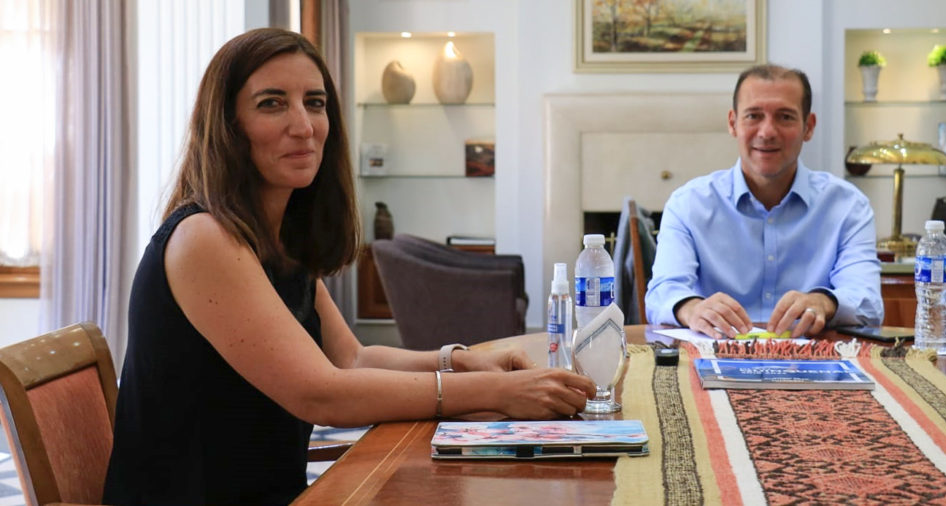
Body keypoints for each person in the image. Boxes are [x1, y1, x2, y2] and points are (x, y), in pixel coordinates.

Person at [103, 28, 595, 505]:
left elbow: (350, 360)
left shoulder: (275, 238)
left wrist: (462, 360)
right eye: (272, 103)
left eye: (314, 103)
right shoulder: (204, 237)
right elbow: (322, 395)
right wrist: (496, 390)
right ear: (227, 125)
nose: (304, 125)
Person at [644, 64, 883, 339]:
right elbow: (662, 293)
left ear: (809, 127)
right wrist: (692, 308)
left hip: (816, 363)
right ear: (733, 123)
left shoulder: (848, 206)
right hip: (713, 360)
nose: (767, 131)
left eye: (785, 117)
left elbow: (868, 301)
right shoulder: (688, 205)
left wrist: (824, 302)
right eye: (753, 116)